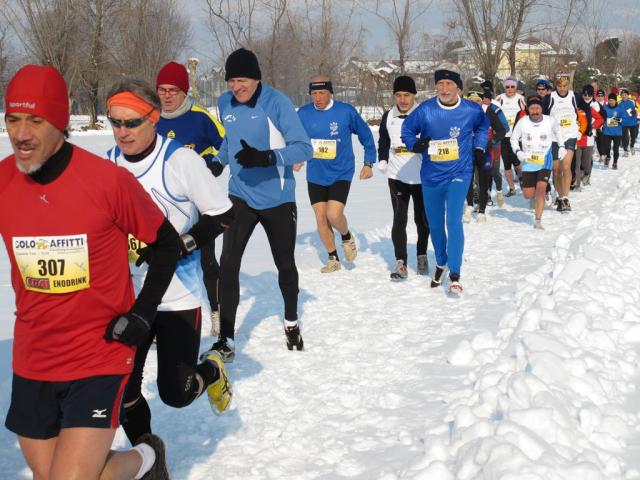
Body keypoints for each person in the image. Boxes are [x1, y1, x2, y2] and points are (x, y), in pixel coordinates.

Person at [1, 65, 177, 479]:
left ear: (60, 122)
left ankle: (147, 454)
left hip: (98, 353)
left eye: (35, 120)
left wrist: (142, 313)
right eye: (13, 119)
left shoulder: (106, 182)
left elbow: (166, 244)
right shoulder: (3, 183)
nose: (21, 134)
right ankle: (145, 460)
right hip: (34, 356)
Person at [105, 79, 235, 446]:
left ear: (154, 117)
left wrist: (179, 245)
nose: (122, 131)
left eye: (132, 122)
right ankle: (149, 459)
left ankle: (211, 371)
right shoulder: (109, 164)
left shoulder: (180, 160)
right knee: (123, 391)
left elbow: (223, 214)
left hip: (178, 295)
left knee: (175, 394)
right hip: (130, 294)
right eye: (115, 122)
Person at [209, 48, 313, 361]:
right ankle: (226, 338)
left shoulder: (276, 103)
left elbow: (303, 148)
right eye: (231, 81)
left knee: (284, 262)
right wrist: (217, 162)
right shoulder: (225, 102)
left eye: (241, 80)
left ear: (256, 79)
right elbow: (230, 139)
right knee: (228, 263)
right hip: (239, 195)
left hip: (277, 199)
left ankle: (291, 321)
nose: (235, 87)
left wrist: (268, 157)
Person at [155, 61, 227, 337]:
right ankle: (159, 319)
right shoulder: (151, 118)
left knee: (206, 260)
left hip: (198, 204)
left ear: (184, 92)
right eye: (162, 90)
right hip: (162, 203)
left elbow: (226, 142)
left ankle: (216, 312)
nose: (167, 95)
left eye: (173, 90)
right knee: (160, 260)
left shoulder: (200, 117)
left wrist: (213, 162)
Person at [401, 68, 489, 293]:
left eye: (449, 85)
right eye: (440, 84)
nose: (444, 89)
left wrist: (479, 146)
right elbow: (407, 130)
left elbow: (483, 126)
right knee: (435, 224)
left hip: (460, 172)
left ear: (458, 88)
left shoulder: (471, 109)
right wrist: (415, 145)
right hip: (432, 175)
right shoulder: (426, 110)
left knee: (453, 221)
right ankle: (441, 262)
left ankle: (455, 273)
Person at [297, 75, 376, 272]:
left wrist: (368, 163)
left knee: (333, 214)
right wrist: (296, 157)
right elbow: (296, 138)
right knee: (321, 219)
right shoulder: (304, 113)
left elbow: (366, 135)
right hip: (316, 174)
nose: (318, 97)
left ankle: (346, 235)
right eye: (314, 93)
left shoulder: (345, 111)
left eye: (321, 92)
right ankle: (333, 258)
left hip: (341, 171)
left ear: (330, 92)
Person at [376, 75, 430, 279]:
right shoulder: (388, 116)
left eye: (407, 95)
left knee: (421, 219)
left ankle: (422, 254)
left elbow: (431, 138)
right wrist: (382, 159)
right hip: (397, 175)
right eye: (398, 95)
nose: (403, 99)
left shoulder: (424, 114)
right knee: (399, 219)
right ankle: (401, 262)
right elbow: (383, 139)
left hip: (421, 176)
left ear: (414, 95)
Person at [510, 96, 563, 230]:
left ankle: (538, 220)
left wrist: (562, 146)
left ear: (541, 109)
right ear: (528, 109)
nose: (535, 111)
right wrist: (518, 152)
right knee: (528, 194)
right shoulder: (522, 122)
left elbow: (559, 132)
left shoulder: (550, 121)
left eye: (537, 108)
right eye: (532, 108)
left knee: (540, 191)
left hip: (545, 159)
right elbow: (513, 139)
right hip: (528, 160)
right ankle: (543, 191)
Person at [464, 89, 507, 222]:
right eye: (472, 101)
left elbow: (501, 130)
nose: (475, 103)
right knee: (468, 180)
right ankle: (469, 206)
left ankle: (482, 211)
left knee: (483, 181)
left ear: (481, 101)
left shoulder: (488, 111)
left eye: (477, 101)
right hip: (468, 151)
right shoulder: (463, 112)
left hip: (484, 151)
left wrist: (491, 141)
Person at [543, 74, 581, 211]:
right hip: (554, 137)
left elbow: (586, 110)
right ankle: (559, 197)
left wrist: (584, 128)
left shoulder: (574, 96)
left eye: (565, 86)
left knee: (566, 167)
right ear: (556, 86)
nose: (562, 89)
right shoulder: (549, 98)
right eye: (560, 86)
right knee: (557, 170)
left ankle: (565, 198)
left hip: (569, 135)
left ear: (568, 85)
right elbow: (542, 115)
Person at [495, 77, 526, 197]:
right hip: (503, 136)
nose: (510, 89)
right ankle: (512, 188)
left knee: (517, 161)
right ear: (504, 87)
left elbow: (526, 114)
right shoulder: (499, 98)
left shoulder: (521, 99)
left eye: (512, 86)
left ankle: (523, 179)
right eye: (507, 87)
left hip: (516, 136)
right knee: (507, 163)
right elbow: (493, 113)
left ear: (516, 87)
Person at [574, 85, 603, 188]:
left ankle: (586, 174)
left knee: (586, 163)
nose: (586, 96)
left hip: (589, 138)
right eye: (584, 95)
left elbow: (600, 118)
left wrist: (593, 126)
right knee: (576, 164)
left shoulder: (592, 107)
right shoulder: (573, 109)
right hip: (576, 139)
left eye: (589, 95)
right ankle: (577, 184)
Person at [601, 92, 624, 169]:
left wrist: (614, 119)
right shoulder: (605, 107)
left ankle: (615, 162)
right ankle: (608, 157)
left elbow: (623, 119)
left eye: (612, 100)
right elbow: (601, 117)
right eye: (609, 100)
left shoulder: (620, 108)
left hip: (617, 133)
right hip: (607, 132)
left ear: (616, 101)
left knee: (615, 149)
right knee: (607, 147)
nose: (611, 102)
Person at [618, 88, 638, 156]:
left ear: (627, 95)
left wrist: (634, 112)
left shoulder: (631, 102)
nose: (624, 96)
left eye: (625, 95)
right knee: (624, 137)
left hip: (632, 122)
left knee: (633, 136)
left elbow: (635, 110)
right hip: (623, 123)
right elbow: (617, 113)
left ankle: (632, 146)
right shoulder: (619, 103)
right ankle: (625, 150)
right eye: (622, 95)